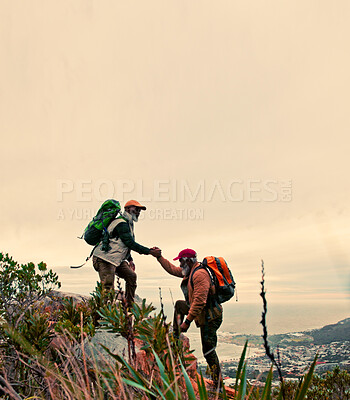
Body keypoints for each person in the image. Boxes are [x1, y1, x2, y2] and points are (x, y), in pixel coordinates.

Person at [152, 247, 223, 388]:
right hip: (202, 313)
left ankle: (219, 384)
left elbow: (199, 302)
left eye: (181, 262)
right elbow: (172, 269)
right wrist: (159, 257)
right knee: (179, 305)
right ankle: (176, 337)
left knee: (208, 350)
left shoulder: (200, 274)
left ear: (188, 261)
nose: (179, 265)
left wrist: (187, 322)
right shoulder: (190, 271)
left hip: (210, 317)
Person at [93, 200, 159, 307]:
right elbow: (130, 243)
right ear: (127, 209)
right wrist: (150, 251)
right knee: (108, 289)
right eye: (136, 209)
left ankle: (129, 307)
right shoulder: (121, 223)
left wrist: (130, 259)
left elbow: (122, 244)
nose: (138, 212)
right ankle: (103, 317)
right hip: (104, 259)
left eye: (139, 210)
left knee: (131, 276)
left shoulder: (128, 223)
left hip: (115, 259)